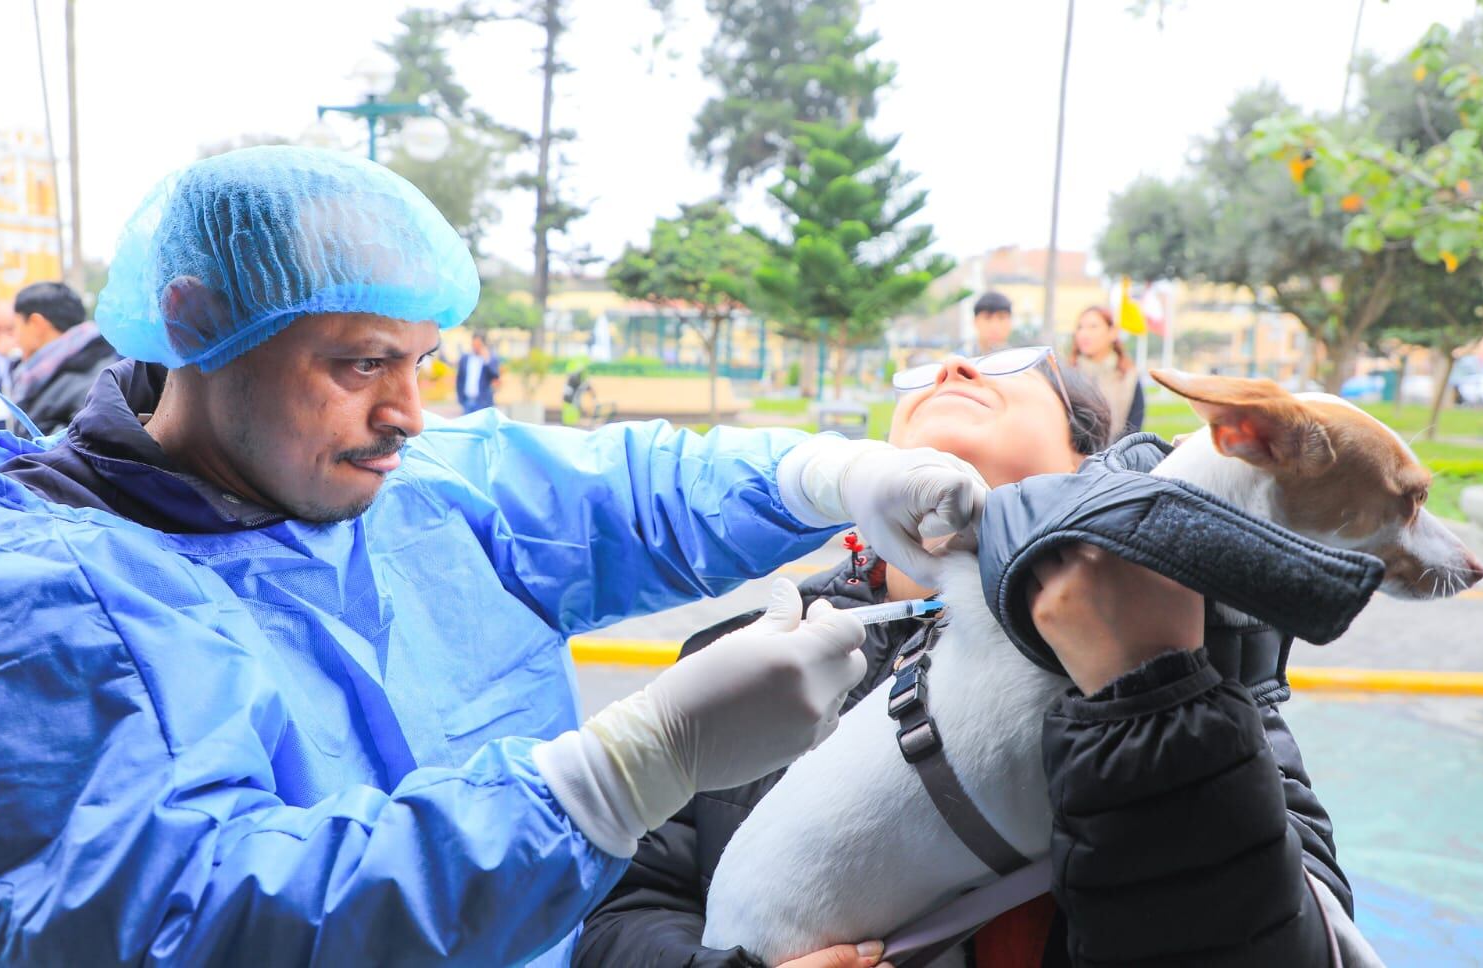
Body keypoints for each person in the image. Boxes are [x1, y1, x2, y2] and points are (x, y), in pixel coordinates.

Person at [0, 146, 990, 967]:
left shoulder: (394, 485)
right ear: (195, 320)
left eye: (421, 361)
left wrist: (827, 477)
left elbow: (626, 490)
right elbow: (180, 920)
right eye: (361, 363)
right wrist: (621, 774)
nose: (408, 414)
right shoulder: (17, 602)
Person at [578, 347, 1361, 968]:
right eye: (922, 373)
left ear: (1086, 463)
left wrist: (1152, 693)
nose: (954, 368)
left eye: (1014, 365)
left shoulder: (1213, 671)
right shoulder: (750, 650)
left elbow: (1292, 938)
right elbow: (618, 915)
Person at [11, 280, 118, 435]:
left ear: (36, 323)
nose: (15, 338)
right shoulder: (56, 371)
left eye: (15, 327)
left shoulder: (93, 380)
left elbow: (86, 442)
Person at [1068, 305, 1143, 440]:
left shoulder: (1128, 377)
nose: (1084, 333)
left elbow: (1134, 428)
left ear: (1112, 332)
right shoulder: (1067, 377)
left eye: (1093, 327)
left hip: (1119, 451)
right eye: (1080, 327)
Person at [455, 328, 500, 413]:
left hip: (483, 403)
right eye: (474, 344)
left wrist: (487, 361)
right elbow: (459, 379)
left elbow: (495, 376)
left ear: (483, 344)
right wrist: (460, 398)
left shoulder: (491, 359)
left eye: (478, 345)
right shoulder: (465, 358)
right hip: (467, 401)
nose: (476, 347)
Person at [970, 290, 1014, 357]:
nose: (994, 326)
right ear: (975, 322)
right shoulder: (960, 360)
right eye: (987, 318)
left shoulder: (1021, 361)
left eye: (1001, 318)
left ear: (1010, 322)